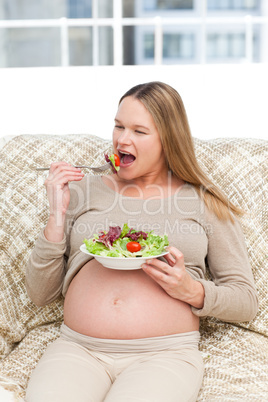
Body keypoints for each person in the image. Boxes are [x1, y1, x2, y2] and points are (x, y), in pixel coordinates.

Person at [25, 81, 258, 402]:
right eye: (118, 126)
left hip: (165, 355)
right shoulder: (82, 191)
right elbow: (40, 294)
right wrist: (56, 214)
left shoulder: (205, 202)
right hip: (78, 349)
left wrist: (191, 290)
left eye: (139, 131)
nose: (122, 139)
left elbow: (246, 300)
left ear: (168, 140)